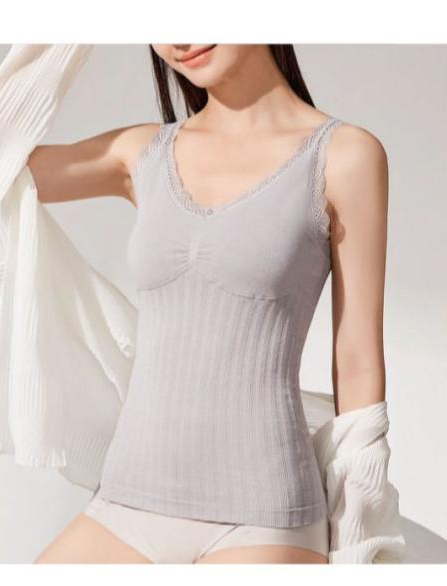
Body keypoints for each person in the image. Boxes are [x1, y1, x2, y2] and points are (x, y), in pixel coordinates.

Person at [24, 44, 388, 564]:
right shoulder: (141, 152)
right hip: (125, 503)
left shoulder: (344, 156)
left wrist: (358, 537)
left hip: (264, 519)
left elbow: (356, 362)